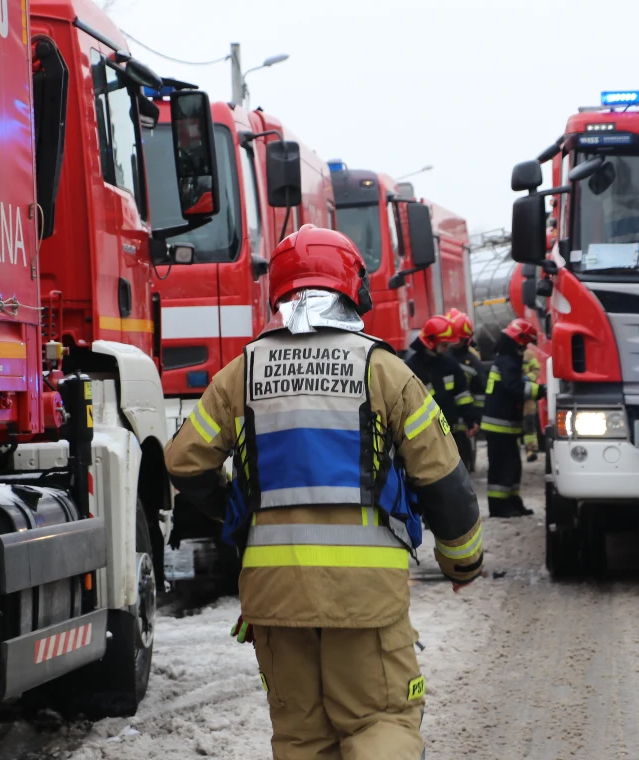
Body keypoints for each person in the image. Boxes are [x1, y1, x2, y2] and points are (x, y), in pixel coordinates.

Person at [164, 225, 483, 760]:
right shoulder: (384, 370)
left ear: (279, 293)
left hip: (273, 595)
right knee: (380, 723)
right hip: (364, 598)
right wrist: (462, 563)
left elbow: (182, 462)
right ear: (353, 289)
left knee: (302, 741)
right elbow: (443, 481)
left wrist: (241, 517)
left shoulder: (242, 371)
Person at [482, 318, 542, 517]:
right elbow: (513, 387)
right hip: (500, 425)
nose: (525, 347)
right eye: (525, 342)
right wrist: (540, 390)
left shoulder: (506, 359)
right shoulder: (507, 361)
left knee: (513, 466)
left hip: (505, 425)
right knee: (501, 467)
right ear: (519, 339)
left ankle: (513, 502)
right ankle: (499, 507)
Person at [403, 315, 480, 447]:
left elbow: (462, 395)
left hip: (452, 434)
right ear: (431, 342)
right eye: (444, 344)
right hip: (426, 439)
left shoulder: (450, 364)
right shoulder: (411, 369)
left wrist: (471, 419)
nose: (448, 348)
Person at [446, 309, 485, 472]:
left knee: (462, 464)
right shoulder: (439, 357)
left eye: (459, 339)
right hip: (443, 418)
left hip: (463, 423)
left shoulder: (473, 361)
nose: (455, 342)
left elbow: (480, 393)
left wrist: (475, 419)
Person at [522, 346, 542, 463]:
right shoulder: (507, 355)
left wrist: (527, 378)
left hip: (528, 396)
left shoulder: (528, 354)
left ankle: (531, 450)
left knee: (529, 423)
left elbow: (536, 370)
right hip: (513, 395)